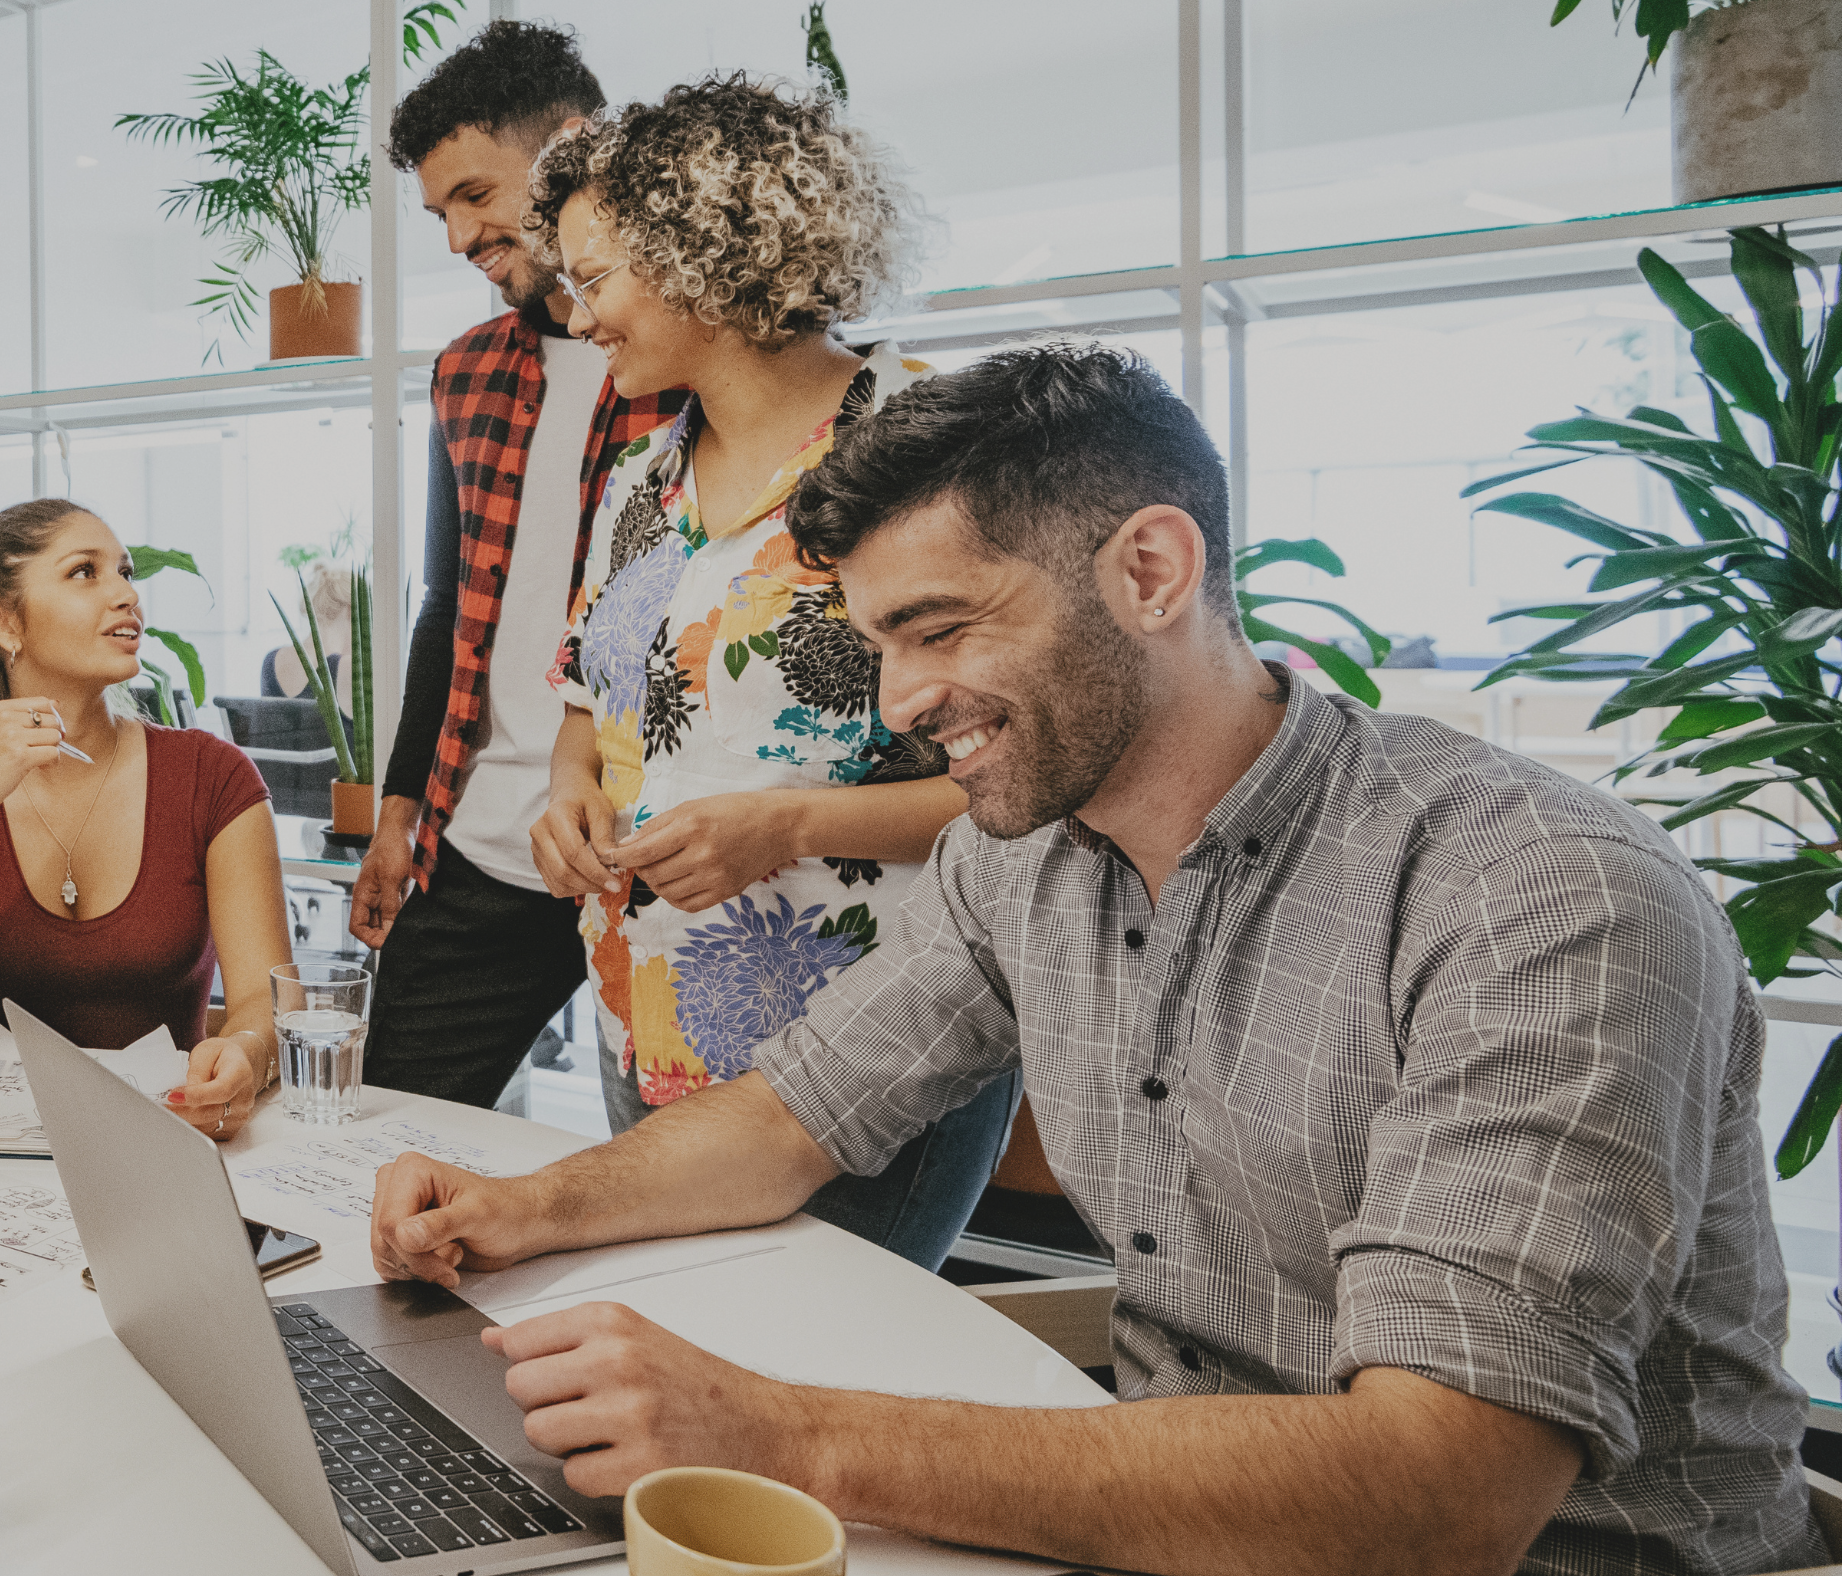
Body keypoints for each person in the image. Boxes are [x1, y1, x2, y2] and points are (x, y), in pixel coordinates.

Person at [369, 343, 1821, 1576]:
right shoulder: (1027, 856)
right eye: (877, 644)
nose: (905, 701)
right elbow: (793, 1114)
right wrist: (520, 1208)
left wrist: (788, 1434)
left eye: (938, 629)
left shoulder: (1532, 891)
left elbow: (1444, 1494)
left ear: (1150, 569)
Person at [515, 74, 1010, 1269]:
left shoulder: (935, 448)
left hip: (869, 1042)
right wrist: (565, 790)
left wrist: (788, 823)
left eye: (593, 280)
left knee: (816, 1393)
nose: (576, 318)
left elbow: (1028, 782)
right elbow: (589, 703)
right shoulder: (640, 480)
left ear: (695, 253)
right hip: (651, 1015)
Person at [348, 17, 688, 1111]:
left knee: (660, 1162)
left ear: (573, 149)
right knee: (379, 1120)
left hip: (649, 846)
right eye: (441, 209)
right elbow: (448, 605)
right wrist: (400, 799)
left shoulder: (687, 358)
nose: (456, 237)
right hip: (483, 842)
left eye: (473, 196)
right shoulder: (465, 373)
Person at [0, 500, 289, 1141]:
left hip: (167, 1144)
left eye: (124, 572)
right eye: (84, 573)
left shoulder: (215, 779)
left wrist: (248, 1054)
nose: (126, 593)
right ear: (2, 621)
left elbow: (267, 1000)